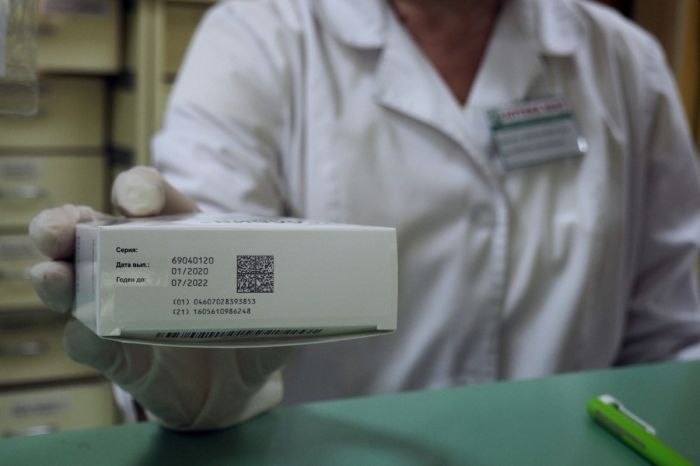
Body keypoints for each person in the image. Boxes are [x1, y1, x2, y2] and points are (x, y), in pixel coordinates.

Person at [29, 0, 700, 430]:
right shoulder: (260, 36)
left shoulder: (625, 62)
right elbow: (214, 263)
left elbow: (672, 332)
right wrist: (192, 358)